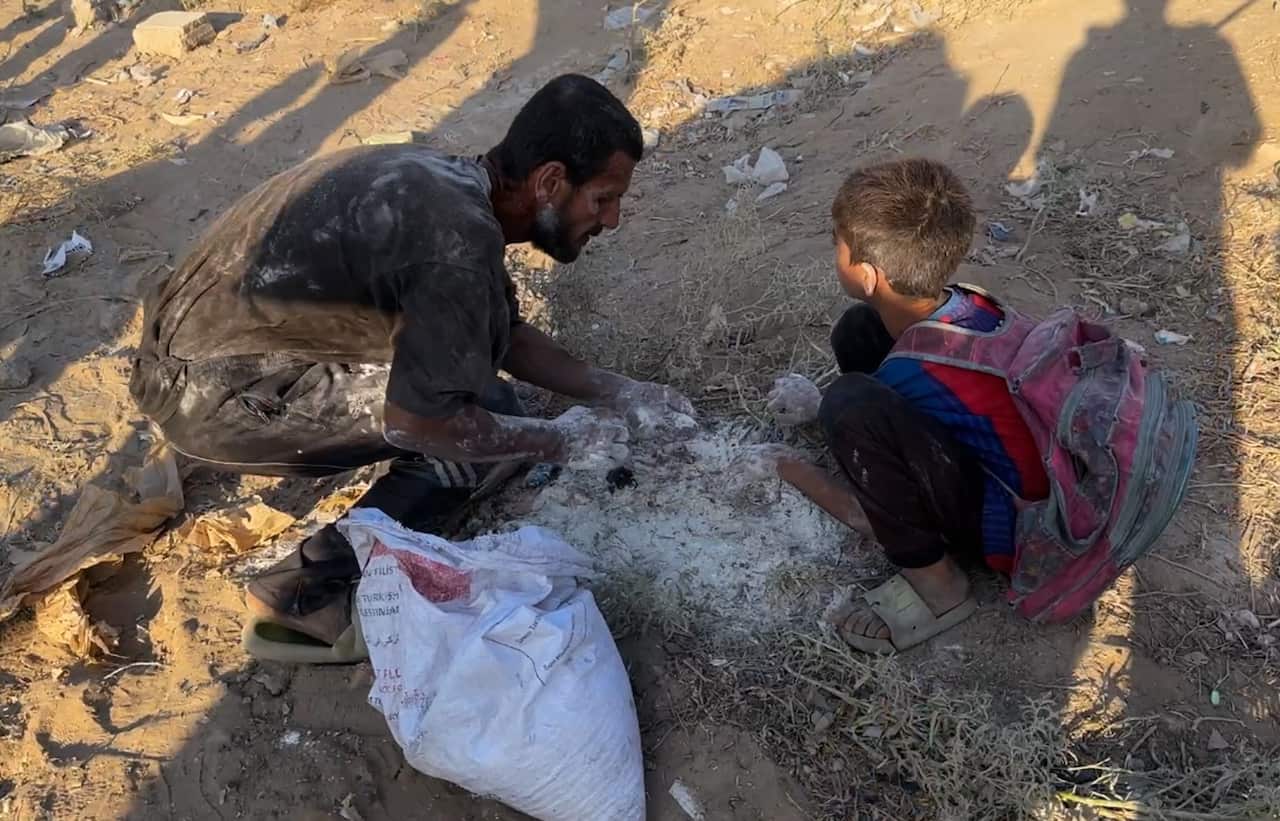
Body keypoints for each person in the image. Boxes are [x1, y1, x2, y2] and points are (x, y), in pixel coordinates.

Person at [130, 74, 694, 657]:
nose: (612, 219)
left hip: (196, 350)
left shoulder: (450, 185)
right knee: (471, 436)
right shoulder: (459, 241)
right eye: (603, 198)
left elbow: (502, 334)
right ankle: (307, 592)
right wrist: (560, 443)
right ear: (551, 181)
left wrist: (619, 391)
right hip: (209, 396)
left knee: (483, 405)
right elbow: (419, 423)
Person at [755, 158, 1049, 654]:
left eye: (838, 243)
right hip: (1021, 467)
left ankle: (938, 583)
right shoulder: (972, 303)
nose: (835, 251)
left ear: (867, 274)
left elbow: (880, 399)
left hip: (1015, 529)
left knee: (849, 406)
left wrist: (798, 471)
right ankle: (896, 480)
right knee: (859, 331)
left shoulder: (912, 369)